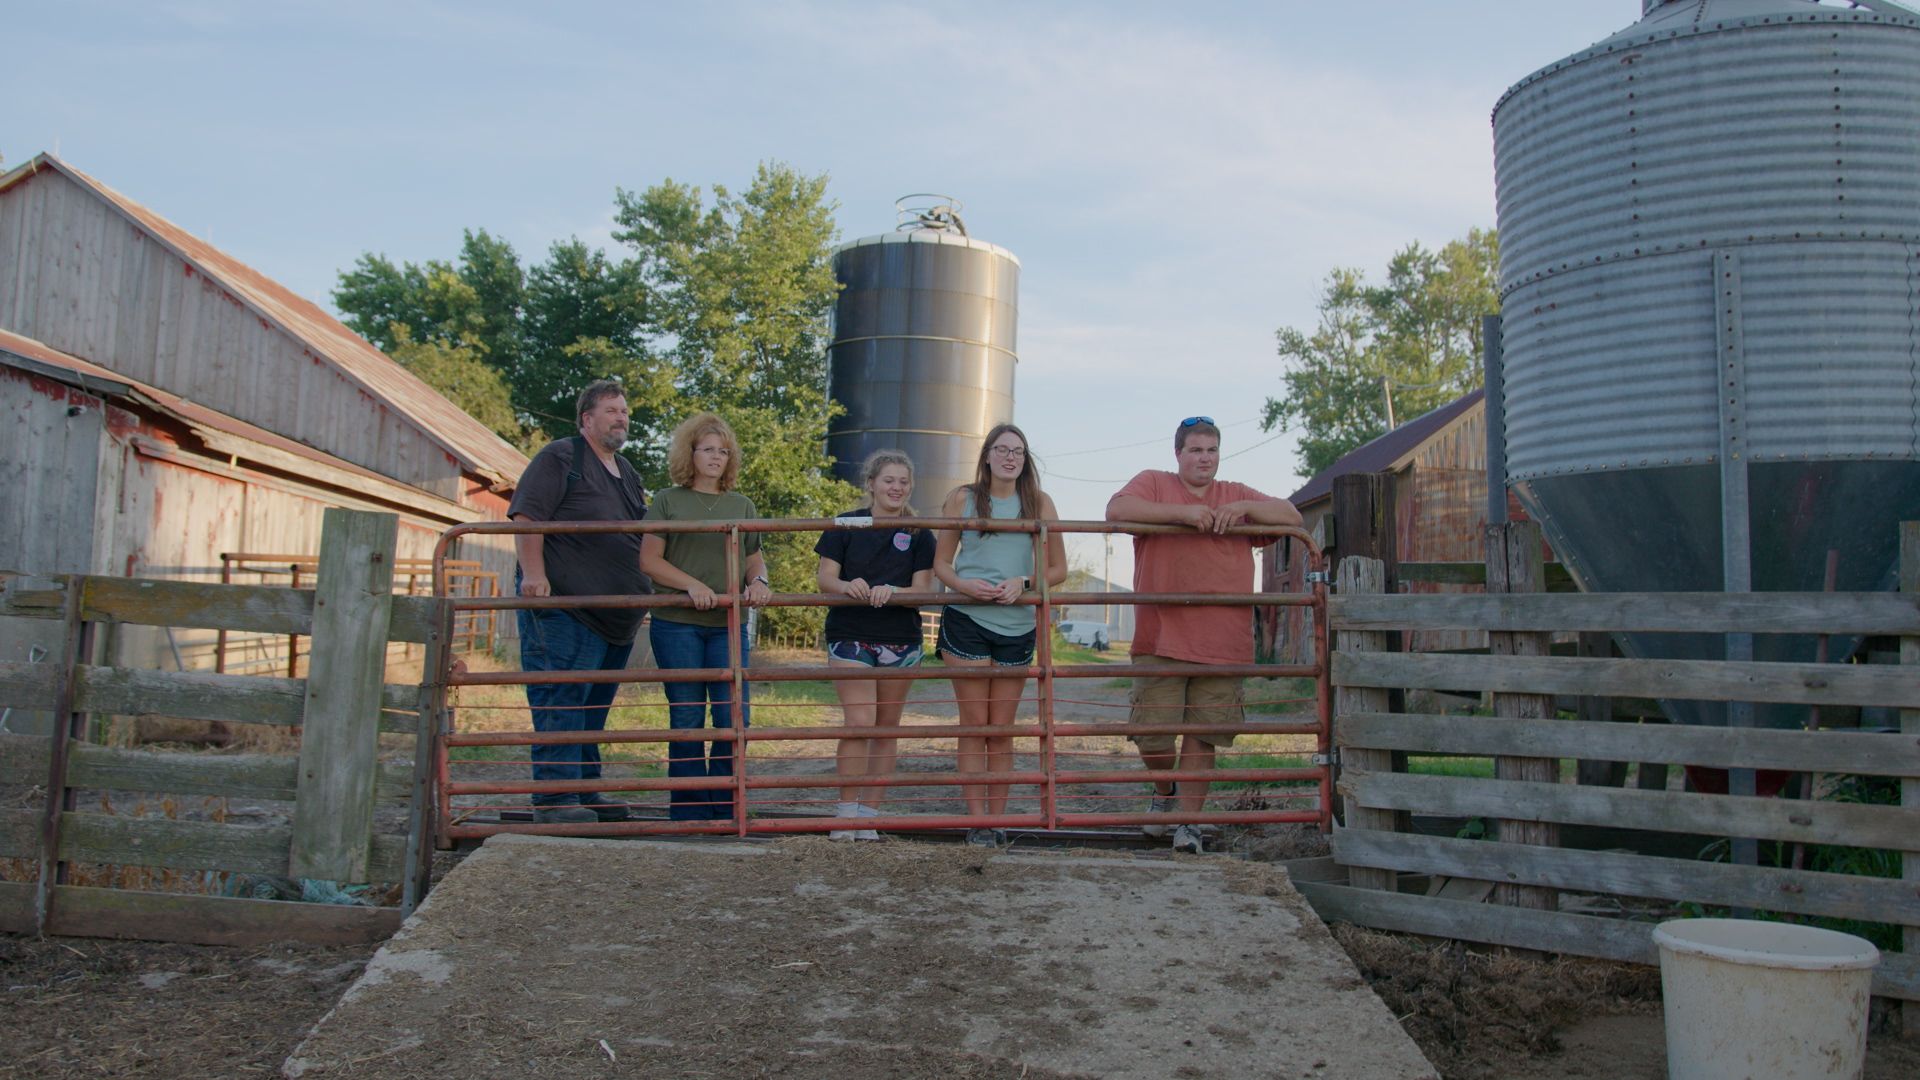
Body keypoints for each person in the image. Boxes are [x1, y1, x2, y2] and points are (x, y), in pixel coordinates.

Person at [1105, 416, 1302, 853]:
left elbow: (1291, 515)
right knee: (1153, 734)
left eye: (1211, 450)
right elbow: (1117, 511)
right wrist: (1186, 514)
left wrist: (1246, 510)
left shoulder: (1235, 493)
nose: (1204, 458)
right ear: (1178, 454)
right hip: (1161, 637)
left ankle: (1189, 824)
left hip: (1222, 640)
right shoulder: (1155, 483)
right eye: (1195, 450)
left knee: (1203, 735)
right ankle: (1165, 793)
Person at [506, 380, 653, 826]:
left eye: (624, 411)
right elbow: (526, 515)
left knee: (593, 707)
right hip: (566, 608)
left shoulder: (626, 470)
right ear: (587, 419)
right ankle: (554, 800)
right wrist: (534, 575)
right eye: (611, 410)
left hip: (615, 617)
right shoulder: (562, 457)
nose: (621, 417)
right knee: (563, 698)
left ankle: (585, 791)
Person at [933, 423, 1068, 846]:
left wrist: (1025, 583)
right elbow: (942, 563)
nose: (1011, 457)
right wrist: (964, 586)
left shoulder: (1039, 503)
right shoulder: (963, 498)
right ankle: (977, 825)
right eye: (1002, 449)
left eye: (1019, 451)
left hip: (1016, 625)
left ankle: (998, 820)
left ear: (1025, 460)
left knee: (1002, 728)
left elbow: (1058, 570)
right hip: (967, 619)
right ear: (987, 455)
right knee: (975, 725)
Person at [639, 413, 772, 822]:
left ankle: (727, 804)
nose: (717, 457)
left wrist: (761, 581)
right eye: (708, 450)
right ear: (689, 453)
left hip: (728, 626)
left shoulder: (741, 504)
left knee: (734, 715)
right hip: (677, 622)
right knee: (687, 714)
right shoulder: (666, 499)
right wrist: (691, 586)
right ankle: (689, 809)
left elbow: (753, 557)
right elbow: (649, 560)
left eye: (723, 451)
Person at [815, 450, 937, 841]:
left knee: (886, 729)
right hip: (851, 633)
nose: (897, 487)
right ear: (871, 484)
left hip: (901, 639)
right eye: (889, 480)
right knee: (859, 724)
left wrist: (895, 591)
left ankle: (868, 815)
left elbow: (923, 590)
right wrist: (847, 585)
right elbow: (825, 579)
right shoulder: (846, 524)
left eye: (904, 481)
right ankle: (845, 814)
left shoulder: (920, 532)